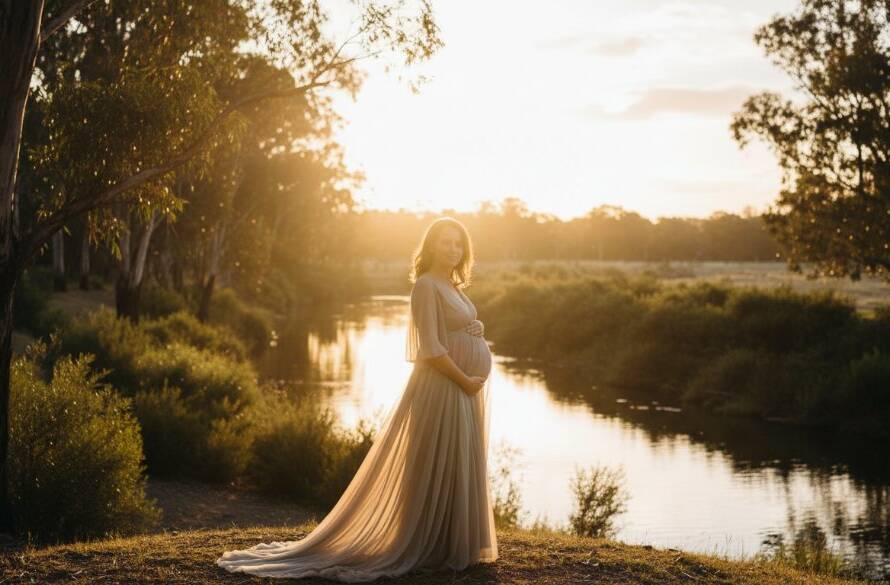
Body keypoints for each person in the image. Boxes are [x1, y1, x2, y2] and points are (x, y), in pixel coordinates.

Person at [215, 216, 498, 581]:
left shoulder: (453, 286)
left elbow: (455, 327)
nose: (453, 249)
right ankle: (428, 544)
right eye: (446, 242)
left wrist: (476, 328)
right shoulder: (426, 286)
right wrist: (465, 380)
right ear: (430, 246)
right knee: (436, 462)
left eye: (458, 244)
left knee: (456, 461)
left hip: (461, 389)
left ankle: (451, 543)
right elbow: (429, 348)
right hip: (443, 388)